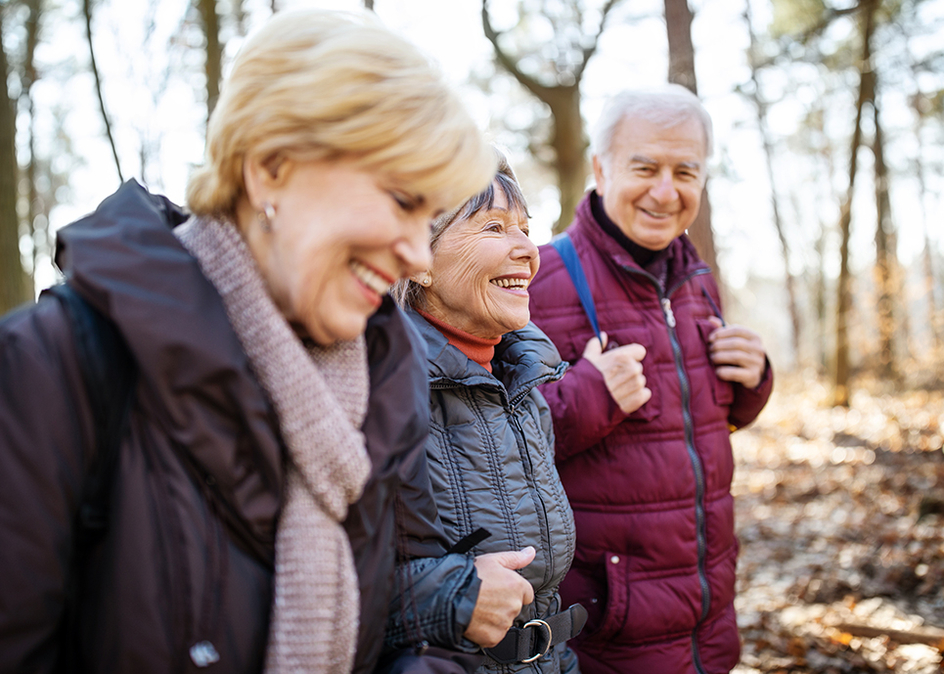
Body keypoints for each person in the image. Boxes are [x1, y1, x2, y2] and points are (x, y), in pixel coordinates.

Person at [0, 9, 497, 674]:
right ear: (270, 168)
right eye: (402, 200)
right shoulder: (49, 367)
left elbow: (411, 620)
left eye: (429, 216)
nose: (417, 255)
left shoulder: (387, 371)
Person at [527, 85, 774, 674]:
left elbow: (689, 423)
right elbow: (487, 451)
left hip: (709, 624)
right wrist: (588, 395)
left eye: (686, 171)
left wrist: (754, 381)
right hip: (607, 638)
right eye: (646, 168)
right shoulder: (537, 281)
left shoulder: (697, 281)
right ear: (599, 167)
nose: (667, 192)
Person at [389, 152, 586, 674]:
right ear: (420, 259)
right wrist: (450, 597)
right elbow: (314, 583)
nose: (527, 249)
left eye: (526, 228)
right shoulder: (379, 387)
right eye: (495, 227)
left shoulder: (523, 380)